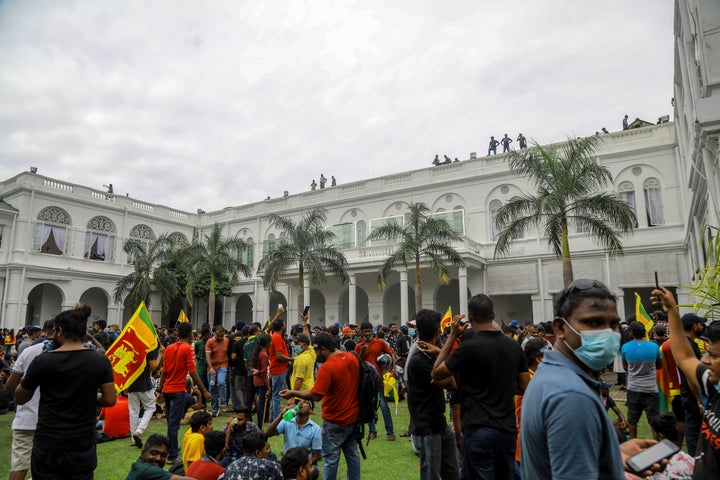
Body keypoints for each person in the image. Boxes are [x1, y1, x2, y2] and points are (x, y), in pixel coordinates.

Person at [520, 279, 666, 479]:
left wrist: (613, 456)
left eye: (614, 324)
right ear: (560, 328)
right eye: (594, 322)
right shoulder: (571, 396)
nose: (607, 333)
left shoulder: (550, 372)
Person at [432, 294, 529, 479]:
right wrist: (502, 384)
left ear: (470, 318)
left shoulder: (468, 347)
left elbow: (436, 372)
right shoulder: (514, 347)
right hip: (507, 430)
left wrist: (452, 336)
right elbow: (525, 386)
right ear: (493, 314)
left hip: (478, 429)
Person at [14, 304, 117, 480]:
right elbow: (109, 399)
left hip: (49, 441)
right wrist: (88, 395)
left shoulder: (43, 361)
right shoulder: (100, 361)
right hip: (82, 443)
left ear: (59, 331)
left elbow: (20, 397)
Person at [658, 285, 720, 478]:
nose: (706, 360)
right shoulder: (713, 386)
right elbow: (684, 358)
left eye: (714, 356)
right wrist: (673, 312)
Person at [281, 333, 361, 480]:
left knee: (330, 460)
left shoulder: (328, 366)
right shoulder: (352, 358)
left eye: (317, 351)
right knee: (353, 457)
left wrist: (292, 392)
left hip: (334, 419)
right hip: (353, 417)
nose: (316, 355)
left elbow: (316, 395)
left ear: (323, 349)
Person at [408, 309, 460, 480]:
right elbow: (451, 384)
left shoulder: (426, 354)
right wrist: (441, 350)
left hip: (439, 422)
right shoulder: (420, 360)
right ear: (438, 331)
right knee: (430, 473)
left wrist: (438, 351)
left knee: (452, 471)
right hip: (427, 425)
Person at [5, 320, 53, 480]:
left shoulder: (28, 350)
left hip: (26, 417)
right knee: (48, 468)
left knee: (20, 466)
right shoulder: (71, 353)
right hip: (54, 421)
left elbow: (11, 384)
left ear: (45, 332)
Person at [159, 321, 212, 465]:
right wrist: (205, 391)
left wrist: (159, 389)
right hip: (177, 390)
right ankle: (172, 456)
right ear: (190, 334)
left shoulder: (169, 348)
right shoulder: (188, 348)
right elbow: (193, 372)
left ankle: (172, 450)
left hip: (168, 390)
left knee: (171, 423)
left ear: (176, 332)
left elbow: (164, 371)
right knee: (173, 425)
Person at [356, 321, 395, 440]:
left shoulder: (380, 343)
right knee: (369, 405)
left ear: (372, 331)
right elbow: (357, 361)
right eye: (365, 332)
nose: (368, 333)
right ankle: (372, 431)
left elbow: (391, 354)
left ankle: (390, 432)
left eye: (369, 331)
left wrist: (392, 369)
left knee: (383, 405)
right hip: (365, 380)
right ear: (362, 332)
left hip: (377, 378)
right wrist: (362, 351)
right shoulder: (358, 346)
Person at [622, 320, 662, 438]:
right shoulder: (654, 346)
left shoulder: (625, 347)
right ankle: (657, 445)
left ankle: (633, 443)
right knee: (654, 420)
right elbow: (659, 366)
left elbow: (626, 368)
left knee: (632, 419)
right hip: (651, 388)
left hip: (633, 388)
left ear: (631, 333)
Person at [266, 400, 322, 476]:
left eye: (305, 402)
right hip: (288, 462)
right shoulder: (287, 421)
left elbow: (316, 455)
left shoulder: (315, 429)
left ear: (311, 410)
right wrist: (281, 415)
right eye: (299, 401)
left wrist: (305, 466)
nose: (301, 403)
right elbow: (268, 434)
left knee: (314, 471)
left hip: (305, 463)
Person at [128, 343, 163, 448]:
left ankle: (133, 439)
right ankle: (138, 431)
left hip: (131, 382)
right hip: (143, 383)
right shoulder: (148, 346)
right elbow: (153, 367)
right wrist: (161, 354)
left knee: (133, 411)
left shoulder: (130, 344)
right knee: (150, 408)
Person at [126, 433, 195, 480]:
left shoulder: (139, 463)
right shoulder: (147, 470)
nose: (158, 458)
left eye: (163, 455)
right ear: (143, 453)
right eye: (154, 453)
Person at [269, 314, 292, 420]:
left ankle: (273, 416)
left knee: (275, 394)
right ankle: (275, 418)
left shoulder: (275, 336)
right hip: (278, 368)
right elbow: (279, 356)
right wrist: (291, 359)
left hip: (278, 368)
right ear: (282, 327)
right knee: (277, 395)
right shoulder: (277, 337)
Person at [205, 325, 230, 417]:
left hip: (223, 365)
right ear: (215, 333)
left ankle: (224, 403)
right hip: (212, 367)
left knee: (221, 382)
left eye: (222, 336)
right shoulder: (210, 341)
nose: (220, 338)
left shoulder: (226, 340)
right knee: (212, 389)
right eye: (218, 336)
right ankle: (214, 409)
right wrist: (210, 368)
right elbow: (207, 356)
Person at [252, 334, 272, 426]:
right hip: (262, 382)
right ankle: (260, 424)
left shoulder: (258, 352)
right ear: (268, 343)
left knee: (260, 402)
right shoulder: (264, 355)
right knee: (261, 404)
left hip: (256, 381)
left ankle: (260, 423)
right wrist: (268, 388)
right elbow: (264, 373)